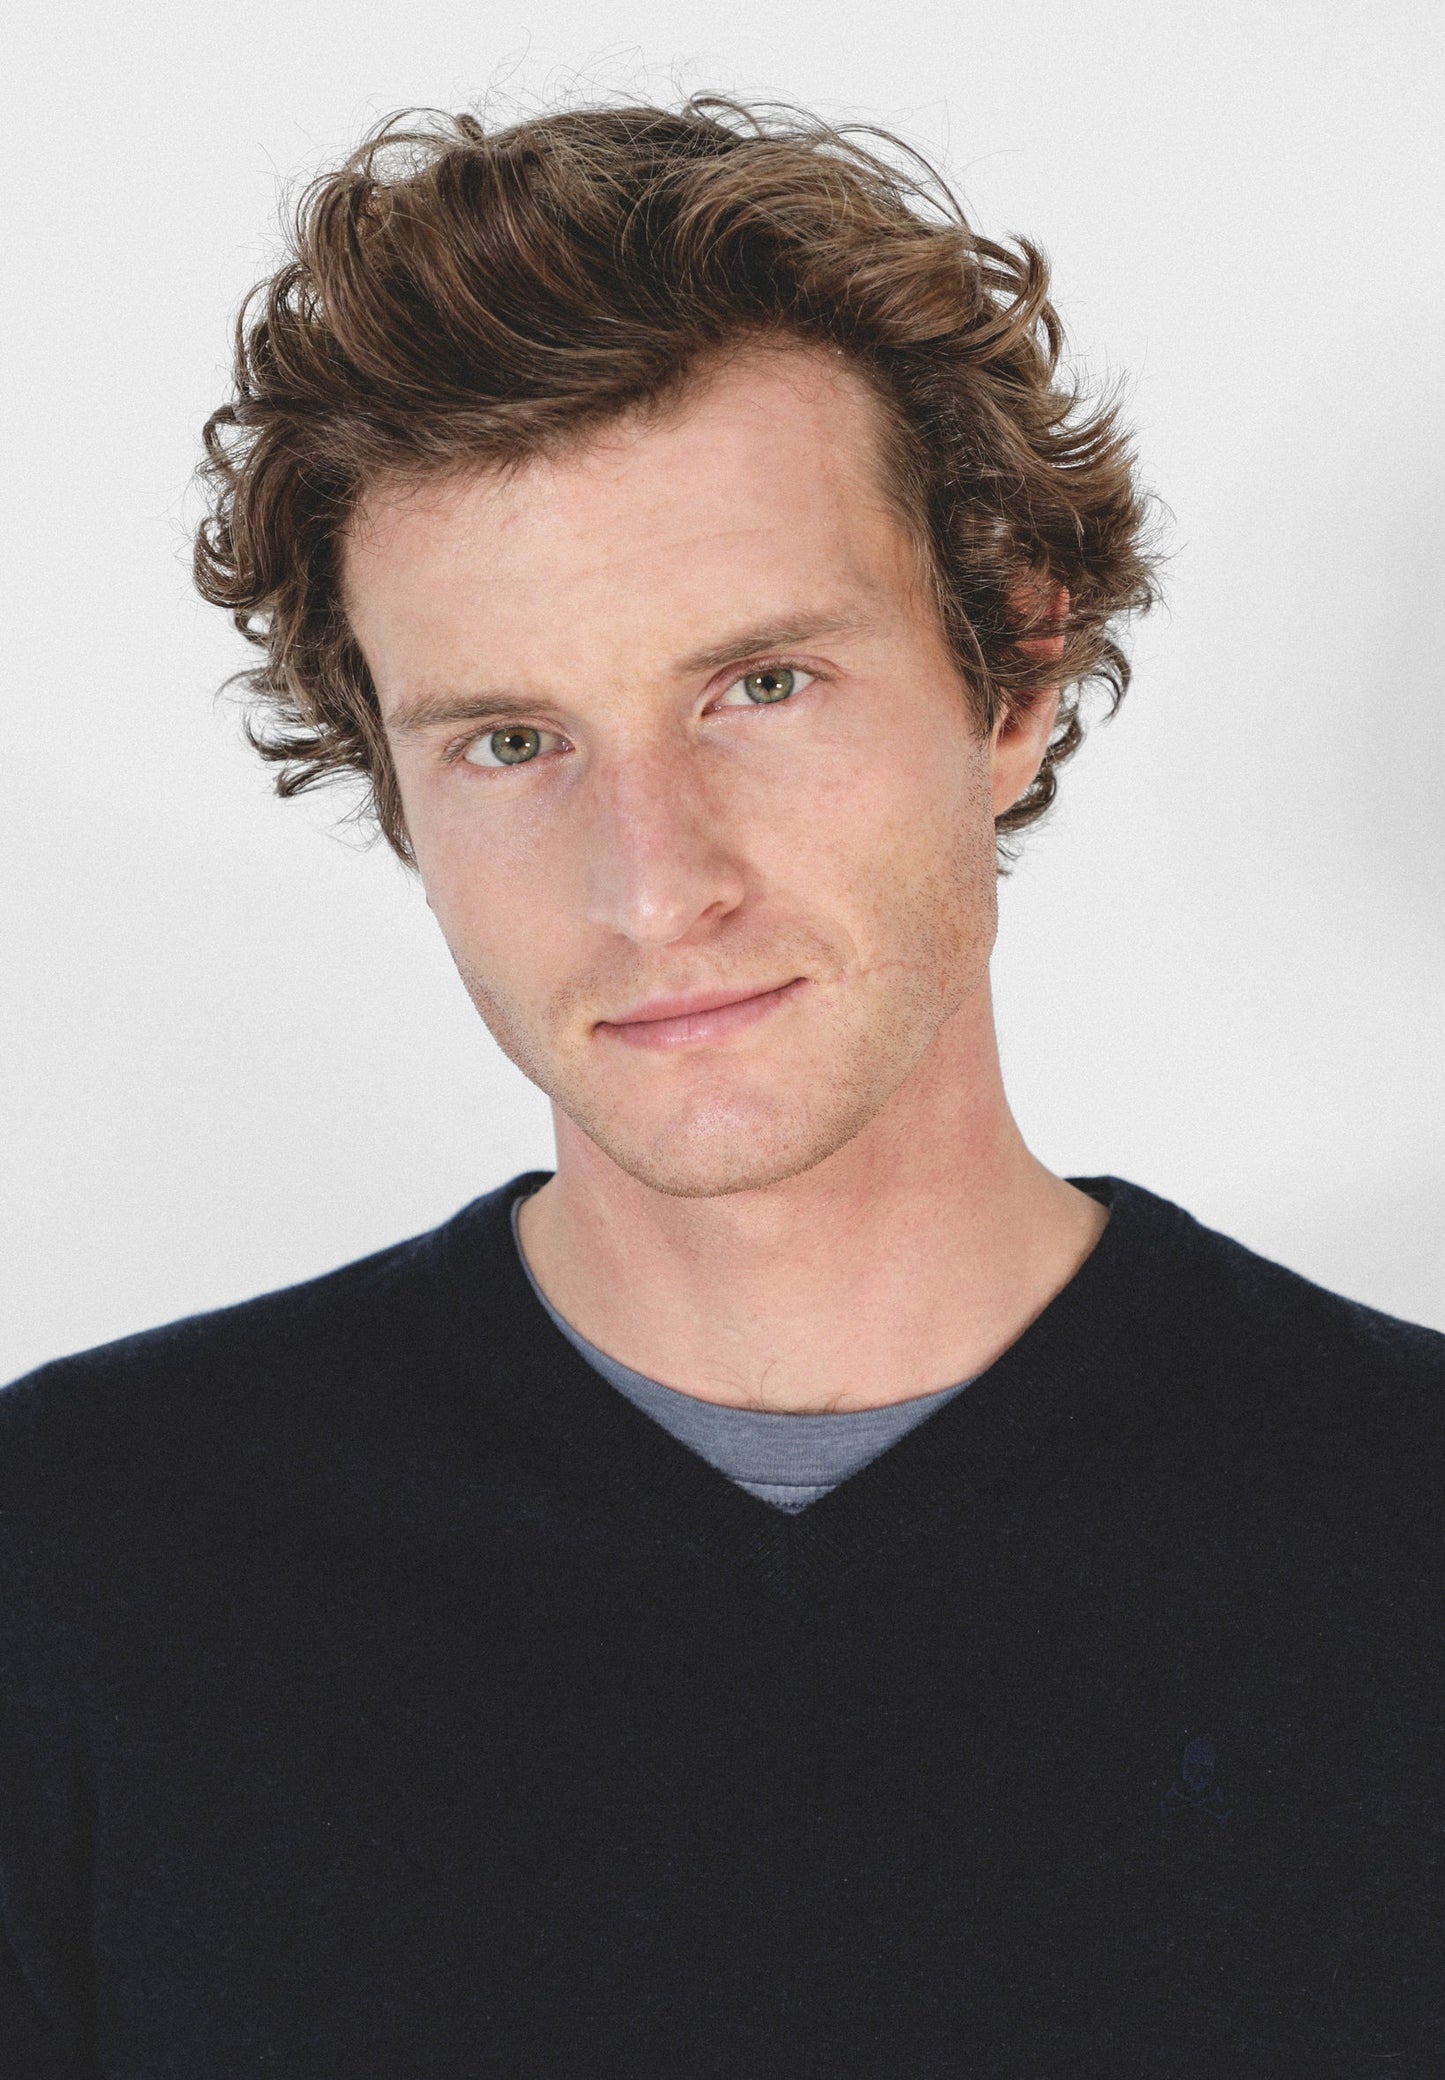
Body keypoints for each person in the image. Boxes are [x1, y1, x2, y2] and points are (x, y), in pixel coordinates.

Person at [1, 96, 1439, 2079]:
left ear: (1013, 680)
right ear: (390, 781)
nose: (651, 883)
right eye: (511, 740)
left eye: (760, 684)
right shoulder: (75, 1567)